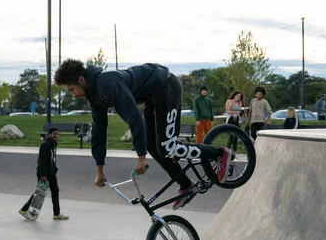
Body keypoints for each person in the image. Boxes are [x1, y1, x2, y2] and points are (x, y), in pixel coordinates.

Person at [54, 59, 231, 211]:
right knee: (153, 145)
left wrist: (141, 157)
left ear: (81, 80)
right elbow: (99, 133)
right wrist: (99, 170)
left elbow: (134, 117)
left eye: (71, 89)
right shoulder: (94, 97)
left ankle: (219, 154)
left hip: (166, 86)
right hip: (152, 98)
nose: (73, 94)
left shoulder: (108, 84)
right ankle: (185, 185)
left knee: (167, 146)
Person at [19, 127, 69, 221]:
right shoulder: (45, 145)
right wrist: (43, 175)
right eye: (54, 134)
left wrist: (54, 168)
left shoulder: (53, 144)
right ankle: (25, 210)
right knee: (39, 193)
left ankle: (56, 214)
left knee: (55, 191)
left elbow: (52, 159)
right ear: (50, 134)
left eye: (57, 134)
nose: (56, 136)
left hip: (51, 173)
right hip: (44, 173)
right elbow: (42, 161)